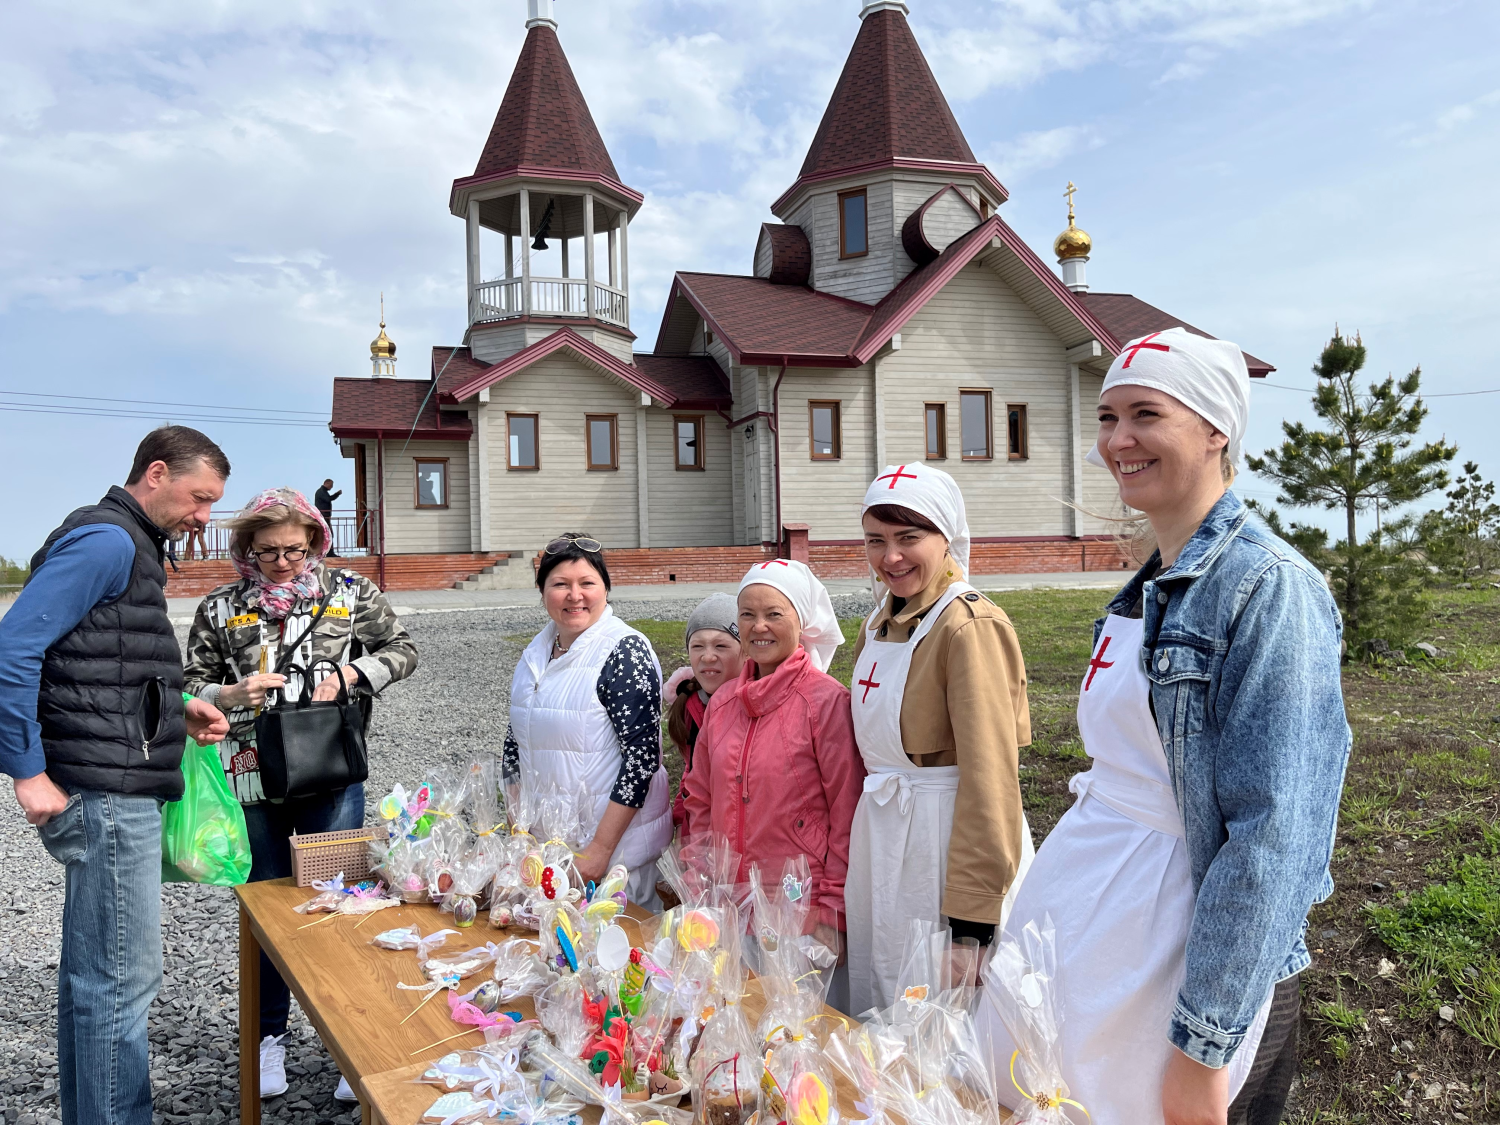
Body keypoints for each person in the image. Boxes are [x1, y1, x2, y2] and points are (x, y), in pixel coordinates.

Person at [978, 328, 1350, 1125]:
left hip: (1175, 961)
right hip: (1094, 935)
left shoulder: (1270, 590)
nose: (1117, 440)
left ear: (1217, 429)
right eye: (1108, 417)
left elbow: (1274, 840)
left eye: (1146, 413)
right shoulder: (1147, 589)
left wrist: (1201, 1047)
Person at [0, 426, 233, 1125]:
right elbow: (13, 648)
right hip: (108, 796)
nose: (204, 518)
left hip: (113, 781)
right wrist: (26, 769)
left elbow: (106, 663)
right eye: (198, 498)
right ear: (155, 473)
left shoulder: (129, 545)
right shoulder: (108, 541)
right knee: (119, 986)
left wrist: (178, 711)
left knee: (94, 985)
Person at [182, 487, 418, 1103]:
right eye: (266, 553)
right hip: (251, 772)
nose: (282, 563)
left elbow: (404, 650)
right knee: (267, 907)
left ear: (315, 540)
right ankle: (267, 1039)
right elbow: (190, 685)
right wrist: (231, 695)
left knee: (339, 904)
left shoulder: (350, 593)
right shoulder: (219, 607)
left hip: (329, 769)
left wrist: (352, 673)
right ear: (246, 550)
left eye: (293, 549)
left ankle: (352, 1039)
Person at [843, 463, 1036, 1015]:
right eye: (875, 541)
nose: (891, 557)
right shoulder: (879, 623)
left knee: (944, 1018)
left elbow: (990, 778)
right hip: (885, 837)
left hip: (944, 842)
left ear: (945, 536)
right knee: (886, 993)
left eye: (909, 537)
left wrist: (971, 922)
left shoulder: (967, 626)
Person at [682, 559, 864, 1011]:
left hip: (799, 915)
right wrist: (698, 880)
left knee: (794, 1041)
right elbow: (700, 800)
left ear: (801, 623)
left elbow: (847, 812)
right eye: (747, 614)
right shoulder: (724, 703)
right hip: (729, 905)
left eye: (774, 614)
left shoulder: (825, 702)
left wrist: (831, 910)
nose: (759, 626)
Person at [503, 534, 671, 910]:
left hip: (611, 860)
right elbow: (515, 744)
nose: (574, 595)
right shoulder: (536, 652)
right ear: (542, 590)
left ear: (606, 589)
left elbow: (640, 761)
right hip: (548, 854)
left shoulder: (624, 651)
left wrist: (600, 850)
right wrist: (520, 831)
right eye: (560, 584)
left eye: (587, 583)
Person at [662, 593, 743, 831]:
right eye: (697, 646)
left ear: (746, 650)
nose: (708, 657)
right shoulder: (691, 705)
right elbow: (690, 778)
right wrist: (681, 827)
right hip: (701, 840)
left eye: (721, 645)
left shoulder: (754, 709)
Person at [314, 478, 342, 556]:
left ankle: (329, 552)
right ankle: (328, 552)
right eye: (331, 485)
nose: (331, 487)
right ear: (326, 483)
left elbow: (329, 499)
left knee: (328, 534)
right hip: (323, 517)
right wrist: (337, 494)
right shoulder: (321, 492)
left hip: (325, 516)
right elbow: (328, 499)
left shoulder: (323, 491)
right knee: (327, 534)